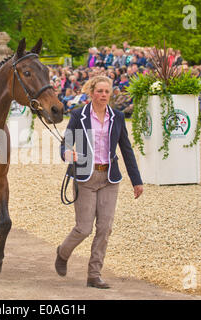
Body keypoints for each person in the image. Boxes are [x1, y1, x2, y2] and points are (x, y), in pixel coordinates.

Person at [55, 75, 143, 289]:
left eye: (107, 91)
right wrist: (68, 154)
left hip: (110, 178)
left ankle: (94, 275)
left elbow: (126, 149)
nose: (104, 95)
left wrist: (136, 180)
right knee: (84, 229)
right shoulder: (79, 115)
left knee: (105, 228)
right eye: (100, 91)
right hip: (85, 177)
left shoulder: (118, 117)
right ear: (92, 93)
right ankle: (62, 252)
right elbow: (66, 144)